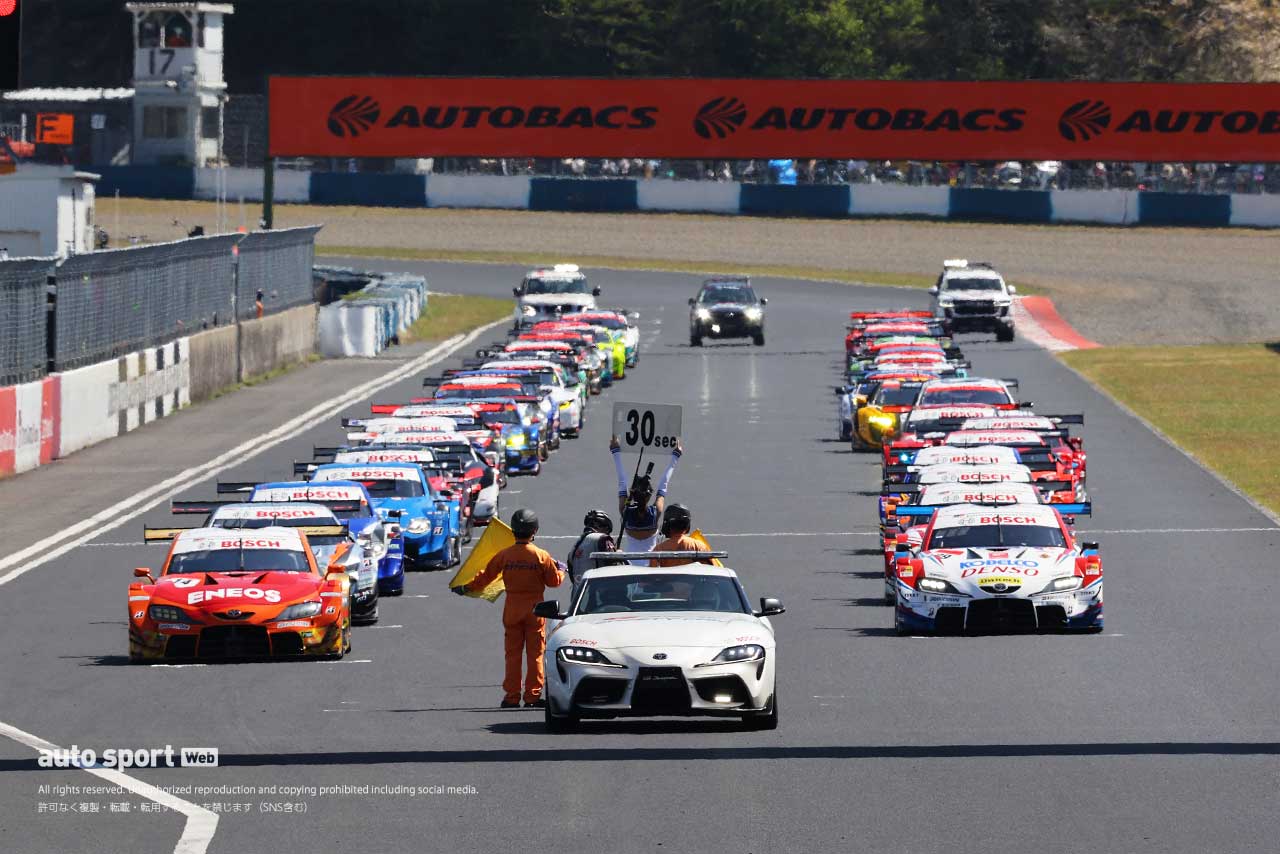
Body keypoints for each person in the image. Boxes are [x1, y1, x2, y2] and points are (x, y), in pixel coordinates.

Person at [452, 509, 565, 708]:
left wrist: (465, 587)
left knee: (512, 655)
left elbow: (484, 577)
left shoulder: (504, 555)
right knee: (535, 654)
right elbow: (554, 582)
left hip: (512, 609)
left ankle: (511, 697)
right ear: (535, 530)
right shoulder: (541, 556)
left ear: (513, 530)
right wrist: (561, 570)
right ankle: (532, 696)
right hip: (536, 610)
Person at [611, 435, 682, 553]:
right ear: (648, 496)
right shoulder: (655, 513)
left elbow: (622, 481)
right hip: (651, 565)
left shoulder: (626, 512)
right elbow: (663, 485)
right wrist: (676, 455)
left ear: (632, 494)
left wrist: (615, 451)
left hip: (629, 566)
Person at [566, 509, 617, 583]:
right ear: (604, 527)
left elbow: (572, 575)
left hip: (580, 593)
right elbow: (615, 567)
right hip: (601, 591)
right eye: (607, 531)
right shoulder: (603, 538)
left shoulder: (575, 546)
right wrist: (618, 553)